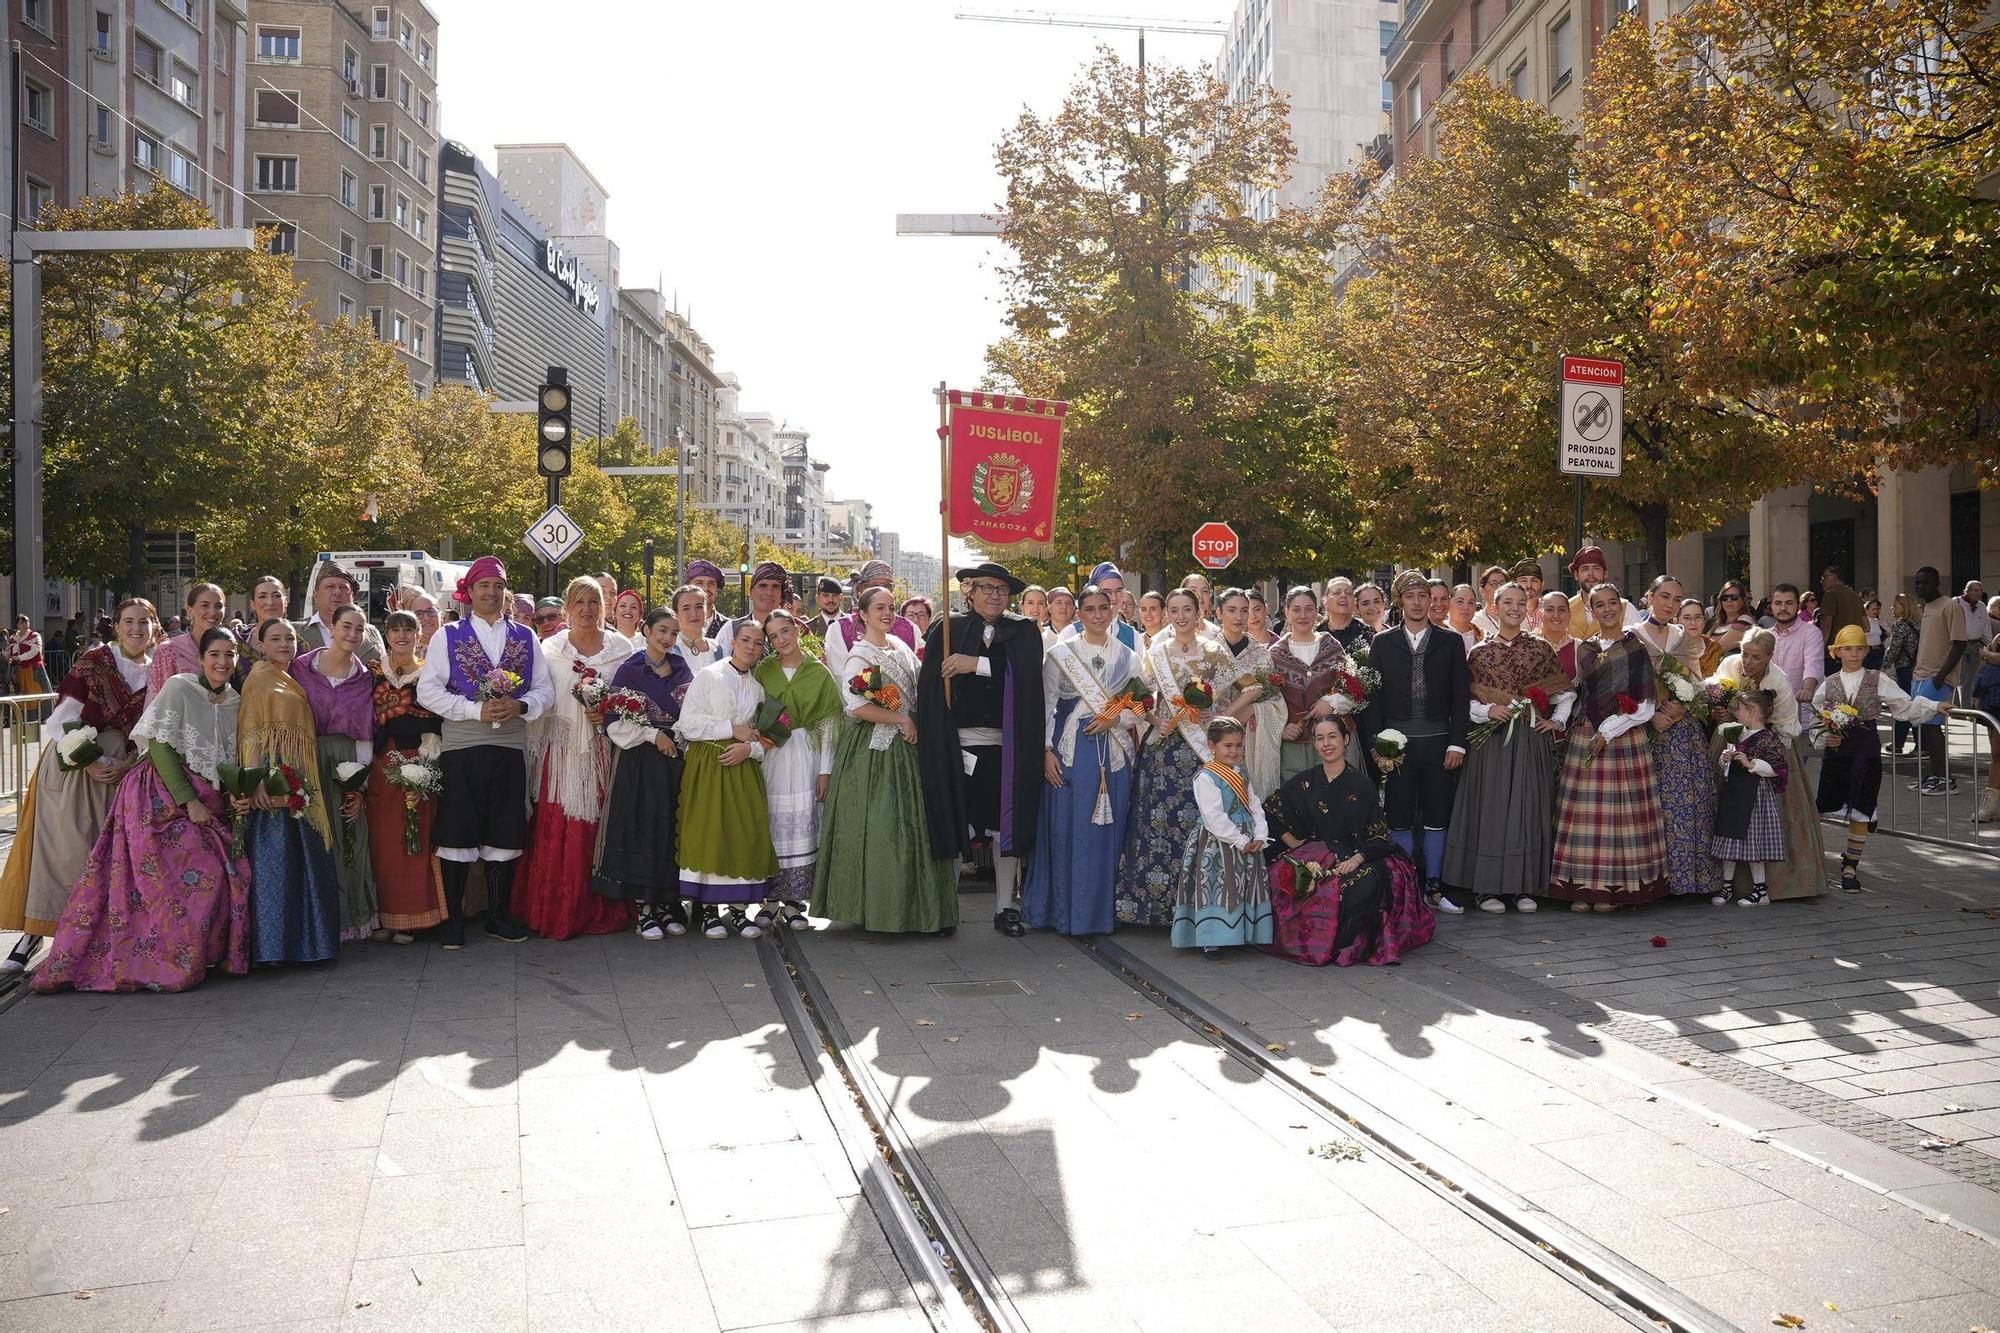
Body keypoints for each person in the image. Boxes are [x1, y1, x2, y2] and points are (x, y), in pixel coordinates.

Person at [34, 629, 252, 993]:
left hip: (204, 799)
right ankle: (160, 961)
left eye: (229, 655)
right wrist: (189, 801)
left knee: (226, 871)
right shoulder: (179, 687)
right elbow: (160, 745)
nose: (222, 662)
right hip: (157, 794)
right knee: (189, 874)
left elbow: (224, 759)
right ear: (201, 658)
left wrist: (235, 795)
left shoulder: (235, 701)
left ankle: (190, 955)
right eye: (214, 654)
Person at [0, 598, 156, 973]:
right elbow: (60, 720)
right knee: (62, 852)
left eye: (144, 622)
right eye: (129, 621)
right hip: (75, 763)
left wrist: (129, 763)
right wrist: (89, 761)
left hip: (122, 771)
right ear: (116, 626)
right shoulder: (95, 661)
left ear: (155, 627)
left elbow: (155, 729)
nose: (136, 629)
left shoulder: (158, 670)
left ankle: (94, 941)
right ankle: (35, 934)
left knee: (109, 859)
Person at [417, 556, 554, 948]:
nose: (492, 593)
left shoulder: (526, 636)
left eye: (498, 586)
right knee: (458, 829)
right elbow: (428, 690)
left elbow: (544, 689)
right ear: (470, 591)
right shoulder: (448, 635)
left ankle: (497, 915)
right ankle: (455, 919)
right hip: (463, 745)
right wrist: (472, 710)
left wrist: (521, 705)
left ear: (506, 592)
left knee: (504, 830)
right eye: (484, 586)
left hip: (509, 744)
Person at [813, 587, 958, 934]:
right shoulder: (861, 656)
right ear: (862, 615)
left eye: (891, 607)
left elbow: (921, 685)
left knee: (916, 828)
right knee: (884, 828)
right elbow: (858, 705)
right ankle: (881, 909)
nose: (887, 613)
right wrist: (901, 719)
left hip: (911, 747)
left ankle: (919, 910)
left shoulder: (899, 645)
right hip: (876, 752)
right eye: (879, 608)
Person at [917, 562, 1046, 937]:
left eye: (1001, 590)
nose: (994, 595)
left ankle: (1005, 907)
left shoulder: (1023, 631)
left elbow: (1026, 675)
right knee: (955, 824)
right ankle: (947, 908)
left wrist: (976, 664)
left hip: (1007, 747)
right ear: (970, 592)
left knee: (1004, 827)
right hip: (957, 744)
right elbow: (930, 687)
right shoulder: (947, 629)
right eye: (987, 588)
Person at [514, 577, 635, 941]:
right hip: (561, 753)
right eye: (579, 602)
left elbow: (631, 698)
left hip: (604, 751)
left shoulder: (621, 648)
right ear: (567, 609)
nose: (586, 609)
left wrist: (608, 713)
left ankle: (602, 907)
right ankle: (559, 909)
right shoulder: (550, 648)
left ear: (604, 607)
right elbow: (540, 696)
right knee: (558, 829)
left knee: (601, 828)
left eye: (593, 602)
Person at [1263, 714, 1435, 967]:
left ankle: (1342, 946)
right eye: (1320, 738)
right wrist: (1293, 844)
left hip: (1358, 854)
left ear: (1345, 739)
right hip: (1316, 851)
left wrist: (1356, 859)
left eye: (1332, 737)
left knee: (1358, 886)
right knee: (1287, 879)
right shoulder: (1305, 781)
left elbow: (1379, 836)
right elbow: (1271, 809)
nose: (1326, 744)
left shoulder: (1362, 785)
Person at [1022, 585, 1144, 936]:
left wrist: (1115, 719)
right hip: (1068, 754)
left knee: (1107, 835)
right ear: (1079, 614)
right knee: (1066, 830)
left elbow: (1139, 706)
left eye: (1103, 608)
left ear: (1112, 610)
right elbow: (1045, 705)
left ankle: (1101, 914)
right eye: (1089, 609)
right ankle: (1063, 912)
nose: (1097, 615)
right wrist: (1045, 751)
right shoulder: (1060, 654)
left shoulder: (1128, 657)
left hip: (1113, 754)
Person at [1444, 582, 1573, 914]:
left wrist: (1556, 721)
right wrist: (1487, 710)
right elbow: (1463, 700)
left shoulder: (1541, 649)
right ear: (1495, 607)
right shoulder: (1479, 653)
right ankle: (1486, 888)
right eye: (1507, 603)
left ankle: (1523, 887)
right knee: (1492, 810)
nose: (1514, 608)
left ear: (1528, 608)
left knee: (1527, 810)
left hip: (1530, 739)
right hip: (1491, 742)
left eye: (1521, 603)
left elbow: (1565, 693)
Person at [1117, 591, 1243, 925]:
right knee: (1157, 825)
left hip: (1204, 750)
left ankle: (1205, 908)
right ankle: (1155, 910)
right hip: (1163, 752)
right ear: (1167, 614)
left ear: (1199, 611)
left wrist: (1222, 716)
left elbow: (1250, 687)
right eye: (1174, 610)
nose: (1181, 616)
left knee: (1203, 823)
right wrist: (1153, 718)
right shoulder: (1155, 653)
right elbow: (1135, 695)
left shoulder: (1214, 651)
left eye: (1187, 609)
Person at [1548, 584, 1668, 911]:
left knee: (1620, 816)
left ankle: (1615, 891)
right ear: (1591, 611)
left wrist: (1609, 729)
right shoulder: (1585, 649)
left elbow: (1646, 704)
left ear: (1621, 606)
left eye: (1612, 603)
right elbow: (1574, 692)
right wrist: (1556, 718)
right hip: (1585, 734)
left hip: (1623, 736)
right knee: (1585, 817)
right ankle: (1583, 889)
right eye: (1599, 605)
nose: (1607, 609)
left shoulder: (1635, 648)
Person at [1359, 571, 1471, 915]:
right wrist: (1378, 744)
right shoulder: (1383, 642)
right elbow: (1372, 698)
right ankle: (1405, 887)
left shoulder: (1450, 641)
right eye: (1411, 596)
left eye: (1424, 595)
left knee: (1437, 814)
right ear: (1400, 602)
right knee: (1399, 815)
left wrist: (1457, 744)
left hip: (1438, 742)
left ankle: (1434, 886)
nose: (1419, 602)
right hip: (1397, 745)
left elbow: (1460, 696)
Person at [1814, 624, 1949, 891]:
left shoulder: (1878, 679)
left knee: (1862, 808)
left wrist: (1935, 705)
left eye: (1859, 648)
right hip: (1837, 756)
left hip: (1866, 753)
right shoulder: (1828, 683)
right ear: (1837, 652)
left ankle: (1851, 865)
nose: (1854, 654)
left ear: (1866, 651)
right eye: (1848, 649)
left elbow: (1904, 705)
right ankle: (1818, 860)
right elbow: (1816, 719)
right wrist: (1824, 737)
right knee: (1826, 807)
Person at [238, 619, 343, 964]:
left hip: (299, 772)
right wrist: (256, 781)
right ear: (261, 644)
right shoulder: (259, 679)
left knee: (304, 862)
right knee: (277, 864)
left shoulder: (291, 676)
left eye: (289, 638)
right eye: (275, 639)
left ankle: (308, 945)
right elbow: (252, 733)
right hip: (274, 777)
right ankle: (275, 948)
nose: (284, 644)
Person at [593, 606, 692, 939]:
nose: (668, 638)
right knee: (642, 826)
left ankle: (665, 903)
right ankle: (644, 910)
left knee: (668, 827)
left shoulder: (682, 669)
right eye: (662, 630)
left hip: (674, 758)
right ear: (646, 630)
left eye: (673, 633)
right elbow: (615, 724)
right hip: (639, 759)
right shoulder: (629, 670)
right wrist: (653, 735)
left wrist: (675, 736)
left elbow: (693, 712)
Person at [677, 618, 780, 937]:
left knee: (745, 833)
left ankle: (738, 910)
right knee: (710, 832)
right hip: (710, 762)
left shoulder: (758, 688)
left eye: (758, 643)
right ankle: (709, 912)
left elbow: (764, 736)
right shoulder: (710, 675)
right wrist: (730, 729)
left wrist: (749, 749)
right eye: (746, 640)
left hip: (743, 765)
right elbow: (687, 724)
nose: (751, 647)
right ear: (733, 642)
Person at [1711, 626, 1823, 899]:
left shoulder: (1779, 682)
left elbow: (1786, 727)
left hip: (1768, 742)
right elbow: (1714, 696)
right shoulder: (1729, 665)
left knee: (1768, 812)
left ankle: (1768, 884)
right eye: (1744, 654)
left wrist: (1768, 759)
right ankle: (1719, 881)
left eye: (1756, 657)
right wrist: (1719, 711)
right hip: (1730, 737)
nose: (1747, 662)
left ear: (1770, 656)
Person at [293, 604, 379, 941]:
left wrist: (359, 785)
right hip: (307, 757)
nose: (352, 634)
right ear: (331, 627)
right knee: (314, 838)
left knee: (348, 839)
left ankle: (350, 917)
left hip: (347, 762)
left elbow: (365, 736)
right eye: (346, 626)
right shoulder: (301, 668)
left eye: (359, 629)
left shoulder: (364, 678)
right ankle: (315, 922)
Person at [753, 609, 841, 929]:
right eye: (773, 636)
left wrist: (825, 770)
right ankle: (769, 899)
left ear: (797, 629)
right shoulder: (764, 670)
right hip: (771, 754)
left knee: (804, 823)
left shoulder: (818, 672)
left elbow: (829, 724)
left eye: (785, 631)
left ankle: (794, 902)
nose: (781, 640)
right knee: (772, 821)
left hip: (806, 754)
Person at [1632, 576, 1717, 899]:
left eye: (1677, 599)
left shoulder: (1684, 637)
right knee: (1651, 807)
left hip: (1682, 732)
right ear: (1650, 597)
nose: (1670, 604)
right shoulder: (1632, 636)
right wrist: (1651, 715)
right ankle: (1653, 883)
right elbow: (1624, 686)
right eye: (1665, 596)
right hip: (1645, 729)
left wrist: (1683, 706)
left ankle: (1688, 880)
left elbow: (1697, 681)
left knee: (1687, 805)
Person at [367, 611, 445, 942]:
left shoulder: (430, 673)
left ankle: (412, 917)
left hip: (418, 759)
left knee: (415, 839)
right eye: (395, 629)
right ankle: (385, 916)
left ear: (418, 635)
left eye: (408, 629)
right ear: (386, 634)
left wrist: (427, 766)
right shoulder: (372, 672)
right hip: (380, 764)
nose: (402, 635)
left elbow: (436, 723)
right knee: (382, 841)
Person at [1171, 718, 1273, 957]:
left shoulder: (1241, 772)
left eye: (1238, 745)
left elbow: (1254, 804)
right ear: (1212, 745)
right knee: (1218, 886)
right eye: (1228, 745)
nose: (1234, 751)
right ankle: (1213, 939)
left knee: (1243, 885)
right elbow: (1213, 816)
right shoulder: (1206, 777)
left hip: (1247, 837)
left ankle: (1242, 933)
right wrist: (1239, 840)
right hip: (1218, 843)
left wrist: (1260, 834)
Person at [1709, 688, 1789, 908]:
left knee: (1753, 840)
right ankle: (1727, 885)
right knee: (1728, 834)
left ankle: (1760, 890)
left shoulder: (1768, 739)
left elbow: (1778, 768)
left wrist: (1750, 763)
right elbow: (1724, 764)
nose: (1736, 713)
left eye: (1740, 709)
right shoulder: (1737, 734)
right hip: (1733, 794)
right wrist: (1726, 759)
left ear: (1751, 711)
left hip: (1754, 796)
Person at [1270, 587, 1352, 783]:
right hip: (1294, 746)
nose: (1303, 615)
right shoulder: (1274, 654)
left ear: (1317, 612)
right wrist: (1281, 728)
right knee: (1299, 794)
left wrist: (1332, 702)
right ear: (1286, 612)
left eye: (1309, 609)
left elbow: (1352, 689)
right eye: (1296, 609)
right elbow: (1267, 701)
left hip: (1334, 739)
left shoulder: (1331, 646)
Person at [1214, 588, 1284, 799]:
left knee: (1248, 797)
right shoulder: (1206, 650)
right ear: (1219, 613)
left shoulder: (1261, 655)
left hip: (1250, 739)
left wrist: (1254, 709)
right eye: (1231, 610)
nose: (1239, 617)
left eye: (1244, 610)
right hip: (1211, 734)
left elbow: (1276, 702)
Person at [1910, 565, 1965, 795]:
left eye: (1925, 583)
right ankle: (1934, 776)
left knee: (1933, 728)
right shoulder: (1927, 607)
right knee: (1924, 727)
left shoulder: (1950, 605)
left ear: (1937, 583)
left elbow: (1959, 643)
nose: (1920, 587)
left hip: (1936, 677)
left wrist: (1941, 676)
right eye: (1917, 583)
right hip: (1920, 675)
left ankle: (1945, 780)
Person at [824, 560, 919, 682]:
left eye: (887, 586)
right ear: (861, 588)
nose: (882, 590)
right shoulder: (839, 629)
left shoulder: (910, 629)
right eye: (876, 585)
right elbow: (840, 678)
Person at [147, 583, 227, 704]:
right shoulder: (168, 651)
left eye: (218, 606)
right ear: (190, 610)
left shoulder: (231, 650)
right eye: (205, 605)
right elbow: (155, 701)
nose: (213, 612)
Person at [294, 565, 386, 664]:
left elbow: (383, 668)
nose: (337, 592)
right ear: (316, 595)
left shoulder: (371, 633)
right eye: (330, 587)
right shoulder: (296, 632)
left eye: (343, 587)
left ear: (353, 596)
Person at [1767, 584, 1826, 709]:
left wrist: (1807, 690)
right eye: (1778, 603)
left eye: (1789, 603)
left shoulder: (1811, 633)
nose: (1783, 608)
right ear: (1771, 606)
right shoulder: (1766, 636)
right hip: (1771, 710)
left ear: (1798, 606)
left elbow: (1813, 664)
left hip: (1801, 708)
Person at [719, 562, 788, 660]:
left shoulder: (794, 629)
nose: (769, 592)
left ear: (782, 594)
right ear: (751, 592)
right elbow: (718, 666)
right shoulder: (731, 629)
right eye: (763, 586)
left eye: (775, 586)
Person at [1566, 546, 1643, 630]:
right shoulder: (1566, 608)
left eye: (1596, 568)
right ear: (1576, 575)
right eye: (1585, 569)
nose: (1591, 573)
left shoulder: (1625, 608)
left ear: (1605, 573)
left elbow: (1640, 637)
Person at [1705, 579, 1757, 677]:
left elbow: (1717, 648)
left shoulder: (1745, 621)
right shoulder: (1717, 624)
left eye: (1734, 597)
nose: (1729, 600)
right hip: (1714, 676)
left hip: (1734, 678)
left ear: (1742, 601)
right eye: (1725, 597)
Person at [1818, 566, 1865, 673]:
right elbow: (1867, 627)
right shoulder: (1856, 596)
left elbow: (1826, 626)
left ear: (1832, 577)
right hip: (1856, 649)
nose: (1822, 581)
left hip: (1836, 651)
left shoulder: (1831, 594)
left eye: (1824, 578)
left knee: (1834, 681)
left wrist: (1820, 649)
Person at [670, 585, 720, 674]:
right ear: (676, 614)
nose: (694, 614)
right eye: (686, 608)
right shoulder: (667, 649)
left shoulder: (717, 649)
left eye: (699, 607)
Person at [1536, 591, 1579, 680]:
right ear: (1539, 614)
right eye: (1550, 610)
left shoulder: (1579, 648)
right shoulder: (1526, 645)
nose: (1556, 615)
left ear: (1570, 614)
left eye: (1561, 610)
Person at [1317, 577, 1369, 651]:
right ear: (1325, 602)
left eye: (1348, 593)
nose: (1343, 595)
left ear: (1354, 602)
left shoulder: (1368, 633)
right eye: (1336, 593)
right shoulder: (1315, 633)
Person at [8, 615, 51, 700]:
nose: (25, 624)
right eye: (22, 622)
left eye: (26, 622)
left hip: (34, 669)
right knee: (21, 694)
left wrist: (19, 657)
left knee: (36, 694)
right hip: (19, 670)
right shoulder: (13, 638)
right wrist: (8, 656)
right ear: (17, 625)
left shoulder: (35, 636)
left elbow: (35, 651)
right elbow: (11, 651)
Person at [684, 560, 729, 637]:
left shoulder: (730, 628)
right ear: (687, 588)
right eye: (699, 583)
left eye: (711, 583)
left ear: (717, 590)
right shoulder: (673, 625)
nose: (706, 588)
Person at [1469, 565, 1510, 639]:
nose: (1499, 588)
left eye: (1503, 584)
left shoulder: (1518, 618)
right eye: (1493, 584)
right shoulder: (1475, 621)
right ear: (1482, 591)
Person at [1862, 594, 1885, 670]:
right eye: (1873, 609)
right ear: (1866, 610)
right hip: (1868, 651)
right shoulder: (1864, 621)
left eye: (1877, 609)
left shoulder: (1876, 621)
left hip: (1878, 651)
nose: (1876, 611)